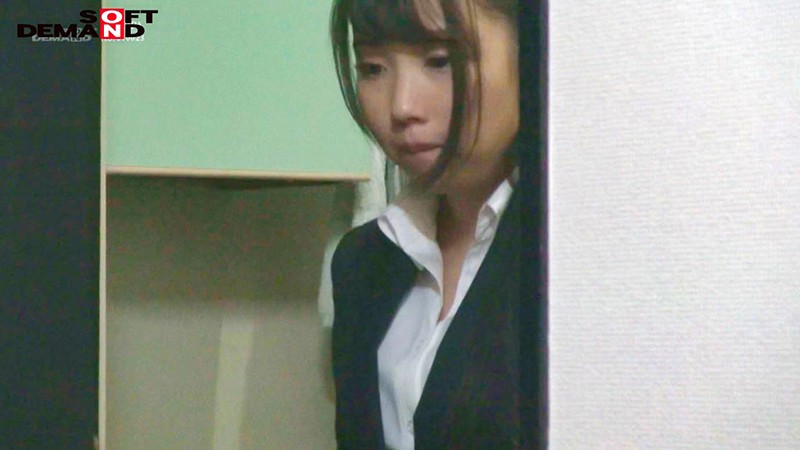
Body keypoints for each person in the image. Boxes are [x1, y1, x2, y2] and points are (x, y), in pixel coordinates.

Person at [329, 0, 527, 448]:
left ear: (531, 56)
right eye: (373, 68)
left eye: (440, 61)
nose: (401, 106)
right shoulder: (361, 262)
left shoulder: (569, 253)